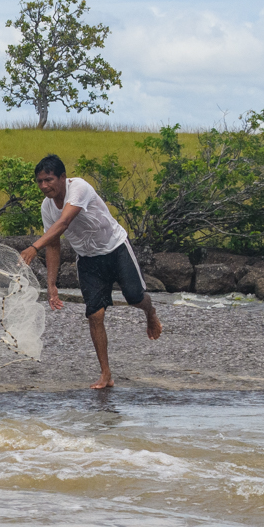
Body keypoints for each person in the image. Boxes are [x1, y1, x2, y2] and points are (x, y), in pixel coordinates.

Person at [17, 154, 162, 389]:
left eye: (49, 179)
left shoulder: (79, 188)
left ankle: (150, 312)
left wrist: (34, 247)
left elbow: (63, 223)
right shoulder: (47, 207)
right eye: (40, 181)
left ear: (63, 177)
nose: (44, 186)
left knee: (134, 296)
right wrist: (51, 284)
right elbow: (54, 242)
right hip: (88, 259)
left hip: (116, 248)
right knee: (95, 314)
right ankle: (106, 374)